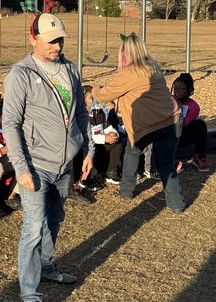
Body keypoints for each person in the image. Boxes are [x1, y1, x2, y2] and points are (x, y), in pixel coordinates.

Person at [3, 13, 94, 302]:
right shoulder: (21, 74)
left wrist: (88, 150)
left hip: (64, 165)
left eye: (61, 39)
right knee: (32, 227)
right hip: (35, 166)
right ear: (34, 39)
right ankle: (30, 298)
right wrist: (21, 168)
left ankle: (46, 266)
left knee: (54, 218)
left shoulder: (69, 69)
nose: (58, 45)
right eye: (52, 40)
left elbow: (82, 113)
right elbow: (10, 124)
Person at [91, 33, 185, 213]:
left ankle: (126, 191)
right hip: (171, 121)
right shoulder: (153, 67)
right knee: (166, 163)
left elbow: (105, 95)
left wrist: (93, 90)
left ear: (125, 54)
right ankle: (176, 203)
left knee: (132, 152)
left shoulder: (128, 73)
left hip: (146, 127)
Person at [82, 85, 124, 186]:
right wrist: (104, 138)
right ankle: (89, 177)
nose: (95, 101)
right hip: (88, 146)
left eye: (96, 98)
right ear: (83, 101)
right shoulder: (82, 115)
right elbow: (86, 136)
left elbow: (107, 126)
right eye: (91, 98)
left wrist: (113, 134)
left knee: (118, 141)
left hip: (100, 142)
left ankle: (111, 171)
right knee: (91, 149)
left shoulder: (99, 112)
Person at [171, 73, 209, 172]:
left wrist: (178, 106)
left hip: (180, 133)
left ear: (189, 90)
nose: (177, 90)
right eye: (175, 88)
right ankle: (168, 160)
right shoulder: (168, 99)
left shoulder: (193, 106)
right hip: (166, 132)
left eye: (181, 88)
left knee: (200, 124)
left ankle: (199, 157)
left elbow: (182, 125)